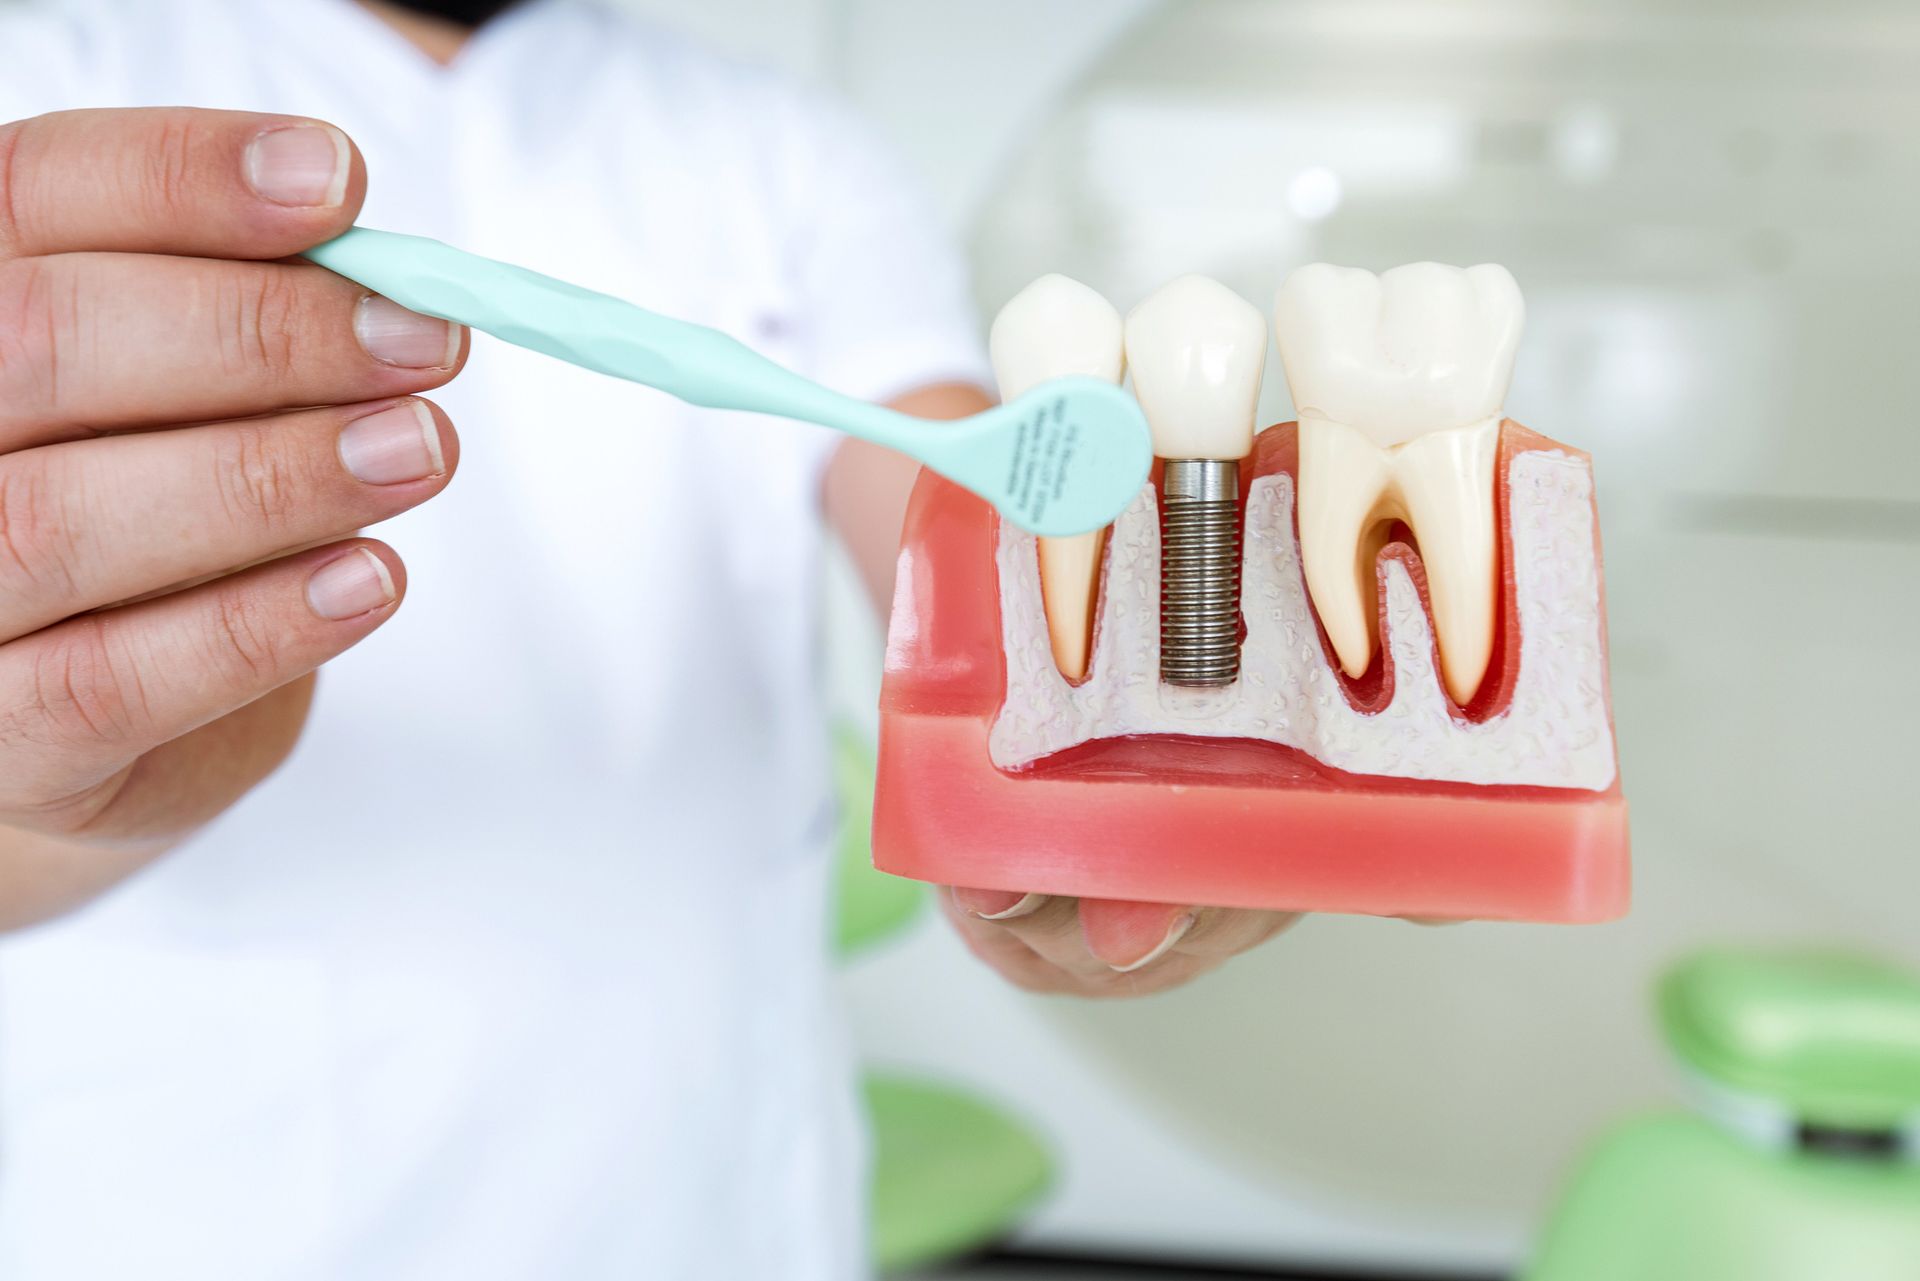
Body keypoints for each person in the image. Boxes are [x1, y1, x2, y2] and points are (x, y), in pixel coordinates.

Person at [0, 0, 1296, 1275]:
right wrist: (56, 787)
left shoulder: (786, 144)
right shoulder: (45, 86)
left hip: (707, 1185)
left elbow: (943, 525)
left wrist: (1130, 754)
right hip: (191, 1199)